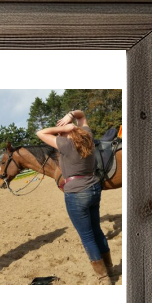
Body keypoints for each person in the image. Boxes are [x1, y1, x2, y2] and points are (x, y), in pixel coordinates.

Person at [36, 110, 114, 285]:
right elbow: (82, 115)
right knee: (97, 229)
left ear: (66, 134)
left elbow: (40, 133)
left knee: (87, 236)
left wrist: (65, 126)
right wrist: (71, 116)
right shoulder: (87, 137)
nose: (58, 133)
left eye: (60, 131)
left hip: (77, 192)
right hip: (94, 188)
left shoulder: (65, 145)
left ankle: (103, 278)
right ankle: (109, 267)